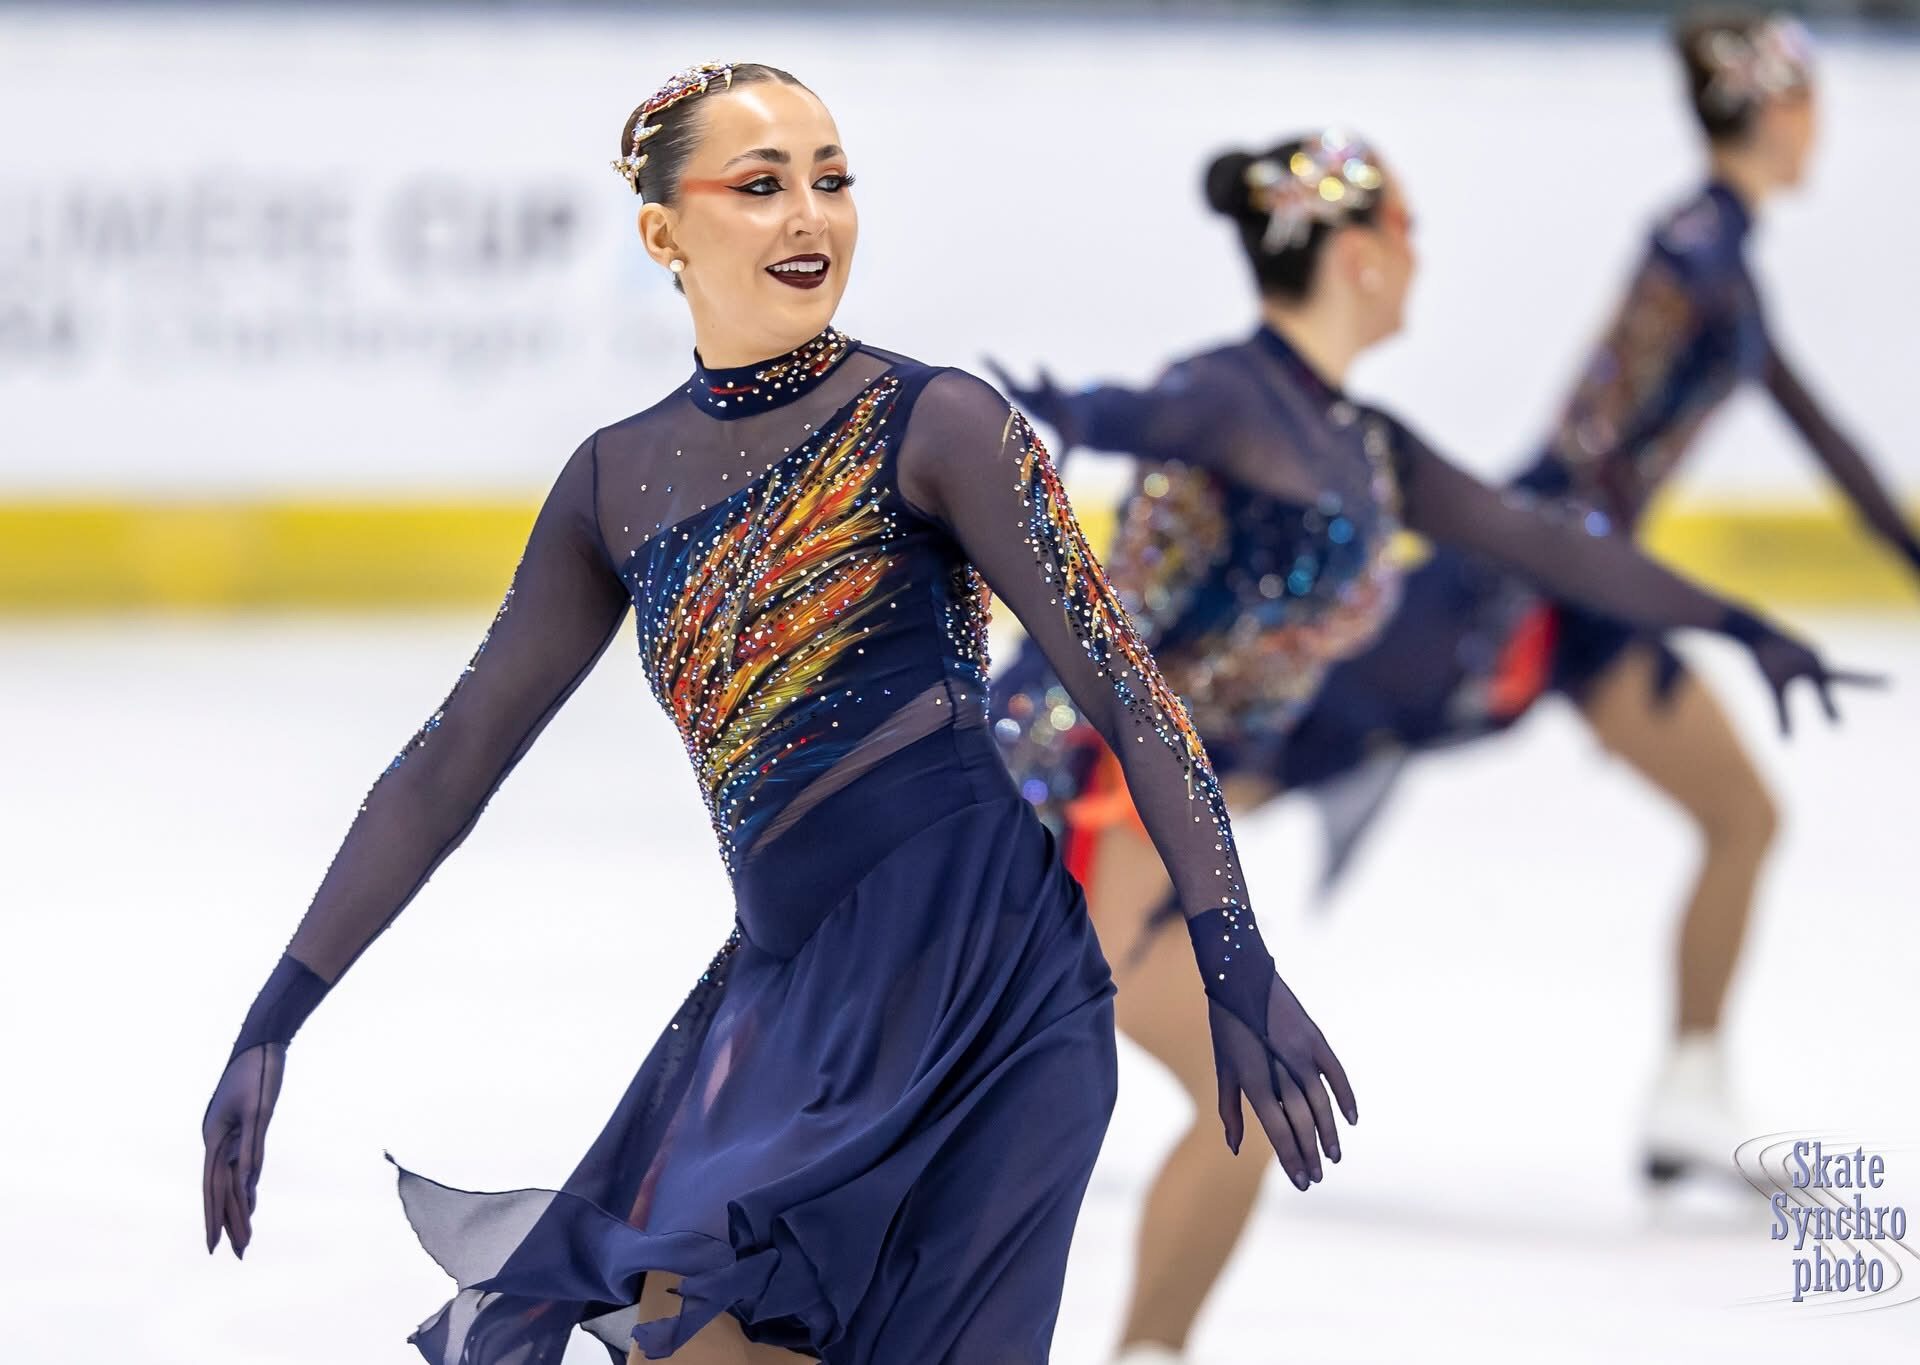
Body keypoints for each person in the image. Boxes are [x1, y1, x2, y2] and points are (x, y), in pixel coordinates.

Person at [198, 62, 1363, 1365]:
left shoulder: (940, 426)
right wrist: (279, 1007)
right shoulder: (613, 485)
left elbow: (1130, 694)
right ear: (664, 233)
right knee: (681, 1331)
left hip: (992, 983)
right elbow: (451, 760)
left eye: (832, 180)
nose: (809, 214)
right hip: (786, 994)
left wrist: (1233, 955)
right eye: (760, 186)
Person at [989, 114, 1877, 1364]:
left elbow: (1555, 545)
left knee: (1237, 1101)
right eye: (1405, 230)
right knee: (939, 1115)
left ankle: (1146, 1350)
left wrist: (1745, 624)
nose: (1419, 257)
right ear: (1356, 255)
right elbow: (1147, 415)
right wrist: (1053, 408)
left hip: (1151, 796)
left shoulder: (1370, 449)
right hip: (1060, 788)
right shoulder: (1231, 394)